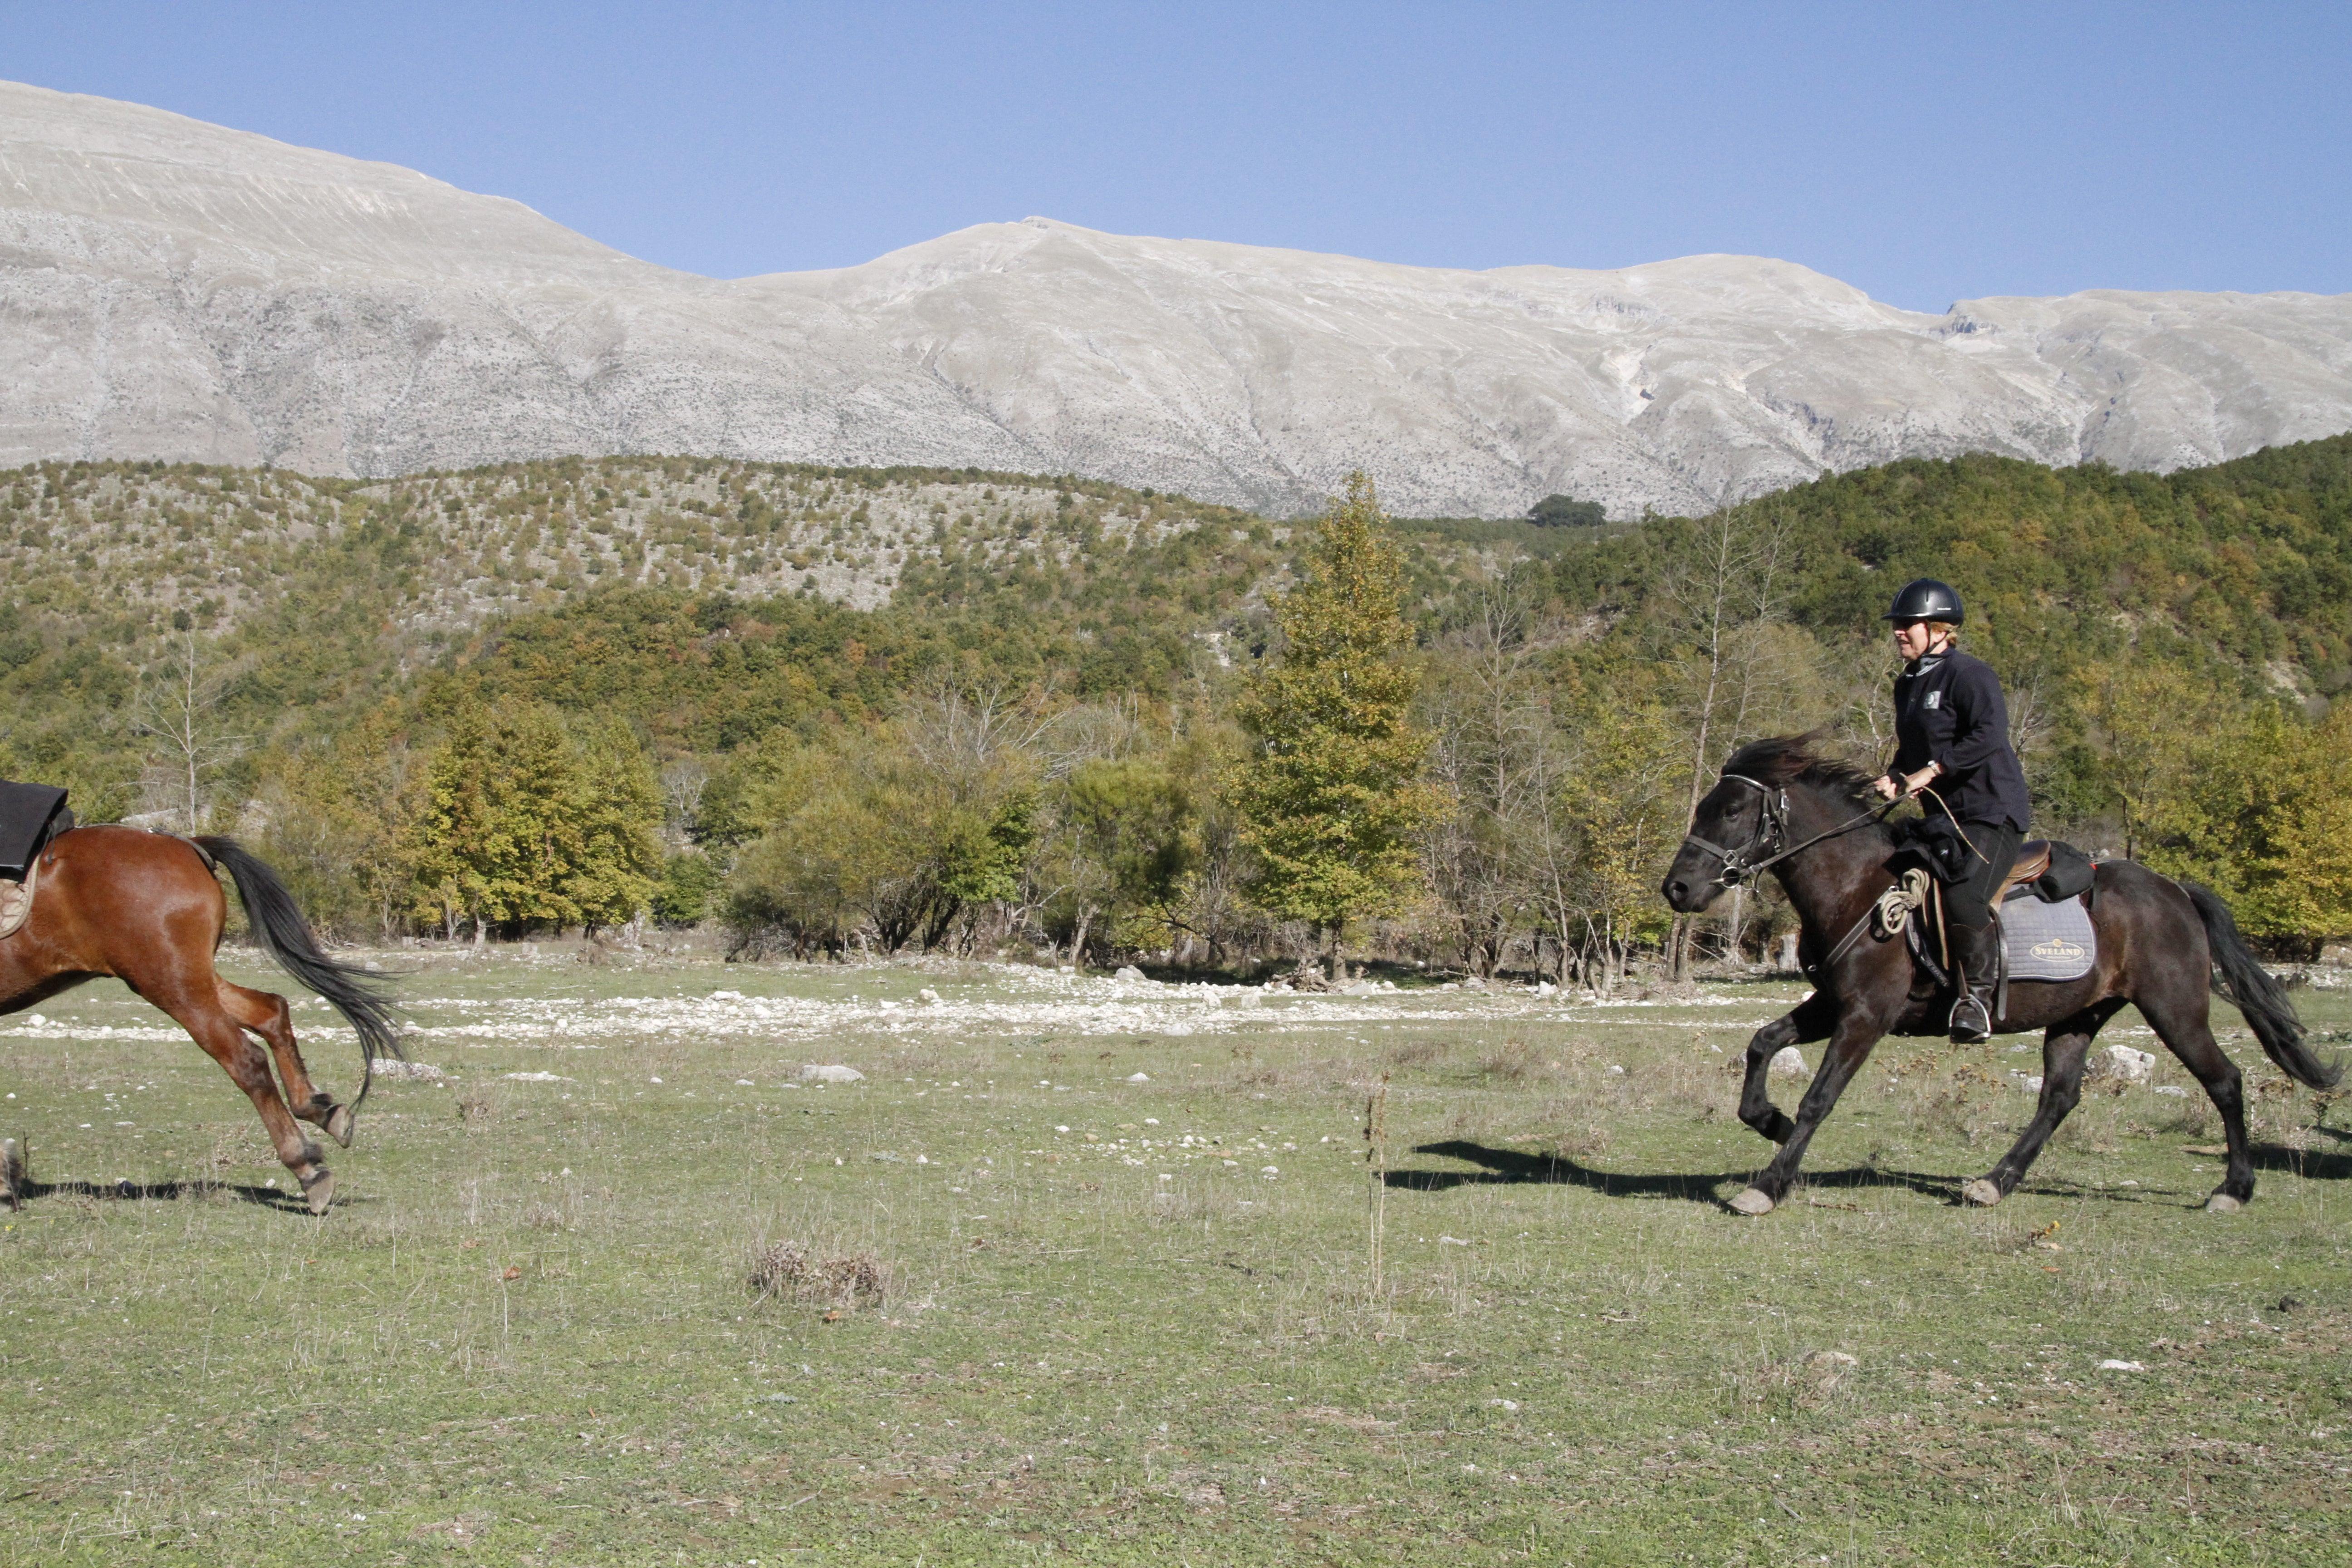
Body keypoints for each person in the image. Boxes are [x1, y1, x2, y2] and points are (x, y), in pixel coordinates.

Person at [1871, 579, 2031, 1043]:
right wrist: (1896, 774)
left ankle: (1976, 1003)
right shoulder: (1908, 683)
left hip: (1991, 812)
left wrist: (1935, 770)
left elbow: (1989, 735)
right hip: (1943, 819)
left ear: (1939, 629)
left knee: (1964, 896)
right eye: (1898, 624)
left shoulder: (1971, 675)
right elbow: (1913, 747)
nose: (1899, 631)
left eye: (1908, 624)